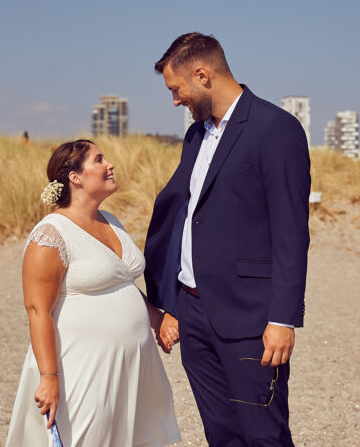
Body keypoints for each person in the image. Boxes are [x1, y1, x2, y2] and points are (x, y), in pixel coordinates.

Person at [144, 33, 311, 446]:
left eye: (176, 89)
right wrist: (170, 303)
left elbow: (291, 232)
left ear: (203, 75)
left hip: (250, 318)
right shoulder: (196, 136)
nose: (175, 101)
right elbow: (187, 215)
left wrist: (282, 319)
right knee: (220, 436)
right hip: (194, 316)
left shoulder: (276, 129)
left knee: (265, 436)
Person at [7, 139, 181, 447]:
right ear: (75, 177)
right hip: (83, 365)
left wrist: (157, 319)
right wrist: (49, 378)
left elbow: (121, 282)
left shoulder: (110, 220)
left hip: (133, 365)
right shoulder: (51, 234)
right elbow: (37, 310)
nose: (110, 164)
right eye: (99, 159)